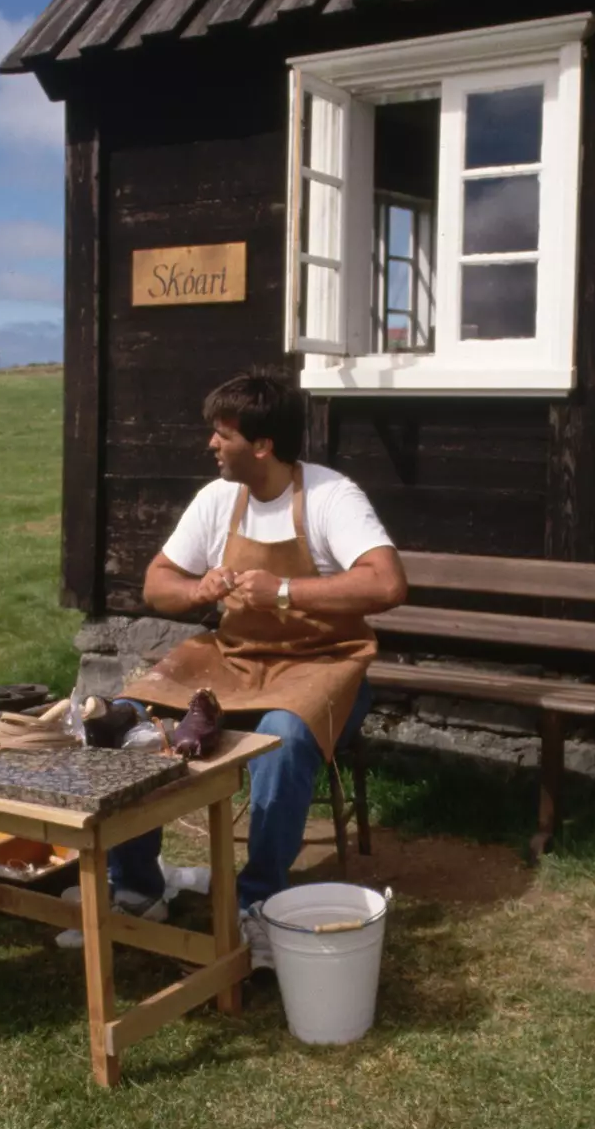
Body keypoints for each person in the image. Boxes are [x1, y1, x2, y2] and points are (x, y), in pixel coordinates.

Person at [60, 371, 407, 969]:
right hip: (236, 661)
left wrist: (284, 592)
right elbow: (155, 584)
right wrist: (200, 588)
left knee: (283, 736)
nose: (211, 445)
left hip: (323, 666)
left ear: (263, 444)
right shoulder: (219, 499)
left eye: (222, 435)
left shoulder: (330, 496)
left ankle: (258, 902)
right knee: (127, 717)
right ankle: (138, 886)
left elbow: (387, 582)